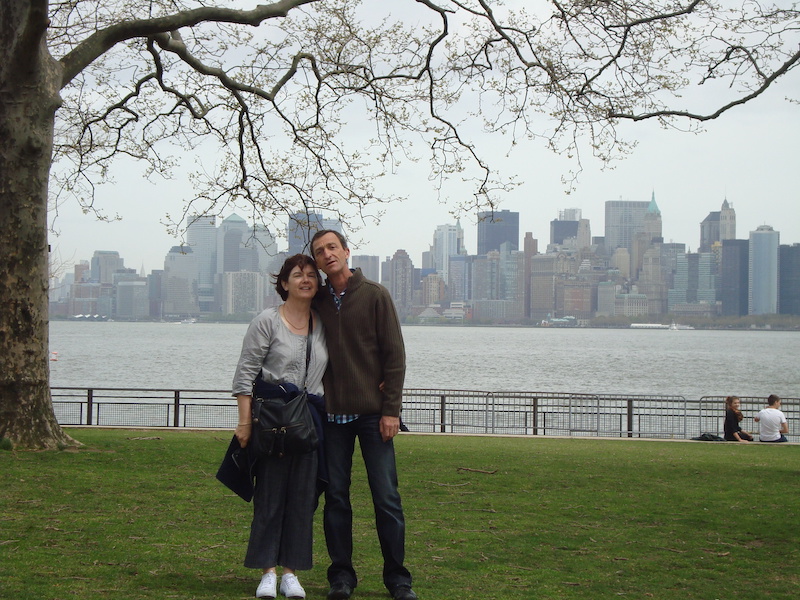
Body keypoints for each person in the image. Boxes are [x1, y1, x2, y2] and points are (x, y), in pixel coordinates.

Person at [310, 230, 418, 600]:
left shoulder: (375, 295)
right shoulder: (318, 300)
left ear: (346, 252)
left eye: (332, 247)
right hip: (333, 416)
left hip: (374, 416)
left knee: (386, 497)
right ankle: (341, 577)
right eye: (319, 251)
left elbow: (395, 357)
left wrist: (392, 411)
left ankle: (398, 580)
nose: (327, 255)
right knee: (336, 498)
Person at [231, 254, 328, 599]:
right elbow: (245, 374)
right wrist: (244, 423)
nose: (306, 280)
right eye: (297, 275)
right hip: (272, 422)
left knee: (303, 500)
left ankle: (291, 573)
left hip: (310, 424)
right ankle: (267, 572)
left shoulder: (323, 323)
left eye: (311, 275)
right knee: (269, 497)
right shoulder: (267, 321)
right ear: (284, 283)